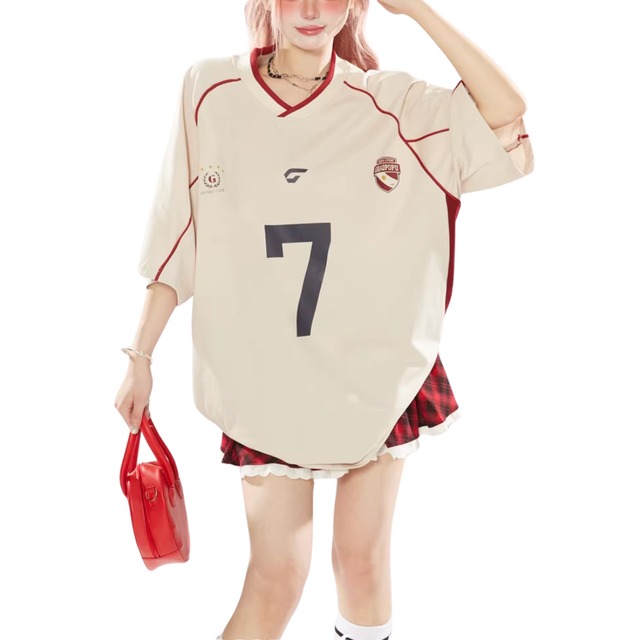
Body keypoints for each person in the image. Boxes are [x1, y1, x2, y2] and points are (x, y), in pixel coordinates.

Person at [114, 0, 534, 638]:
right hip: (264, 376)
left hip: (374, 368)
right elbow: (178, 232)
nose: (311, 9)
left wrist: (417, 10)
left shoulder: (392, 104)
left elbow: (506, 112)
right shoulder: (210, 90)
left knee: (361, 563)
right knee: (277, 576)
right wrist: (140, 356)